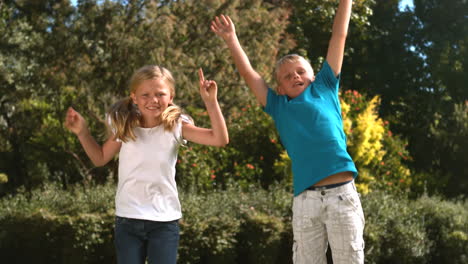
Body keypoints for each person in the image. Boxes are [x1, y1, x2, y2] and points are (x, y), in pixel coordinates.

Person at [211, 0, 364, 263]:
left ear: (313, 75)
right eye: (287, 76)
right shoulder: (278, 106)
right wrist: (231, 39)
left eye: (300, 71)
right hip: (306, 201)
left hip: (342, 195)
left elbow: (339, 35)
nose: (295, 76)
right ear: (279, 88)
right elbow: (249, 75)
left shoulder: (325, 88)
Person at [65, 65, 228, 264]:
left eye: (160, 94)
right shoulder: (126, 126)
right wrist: (83, 132)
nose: (153, 100)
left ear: (171, 96)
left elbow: (219, 139)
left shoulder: (177, 126)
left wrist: (210, 102)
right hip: (128, 220)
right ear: (134, 97)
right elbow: (100, 158)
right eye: (145, 95)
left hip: (164, 222)